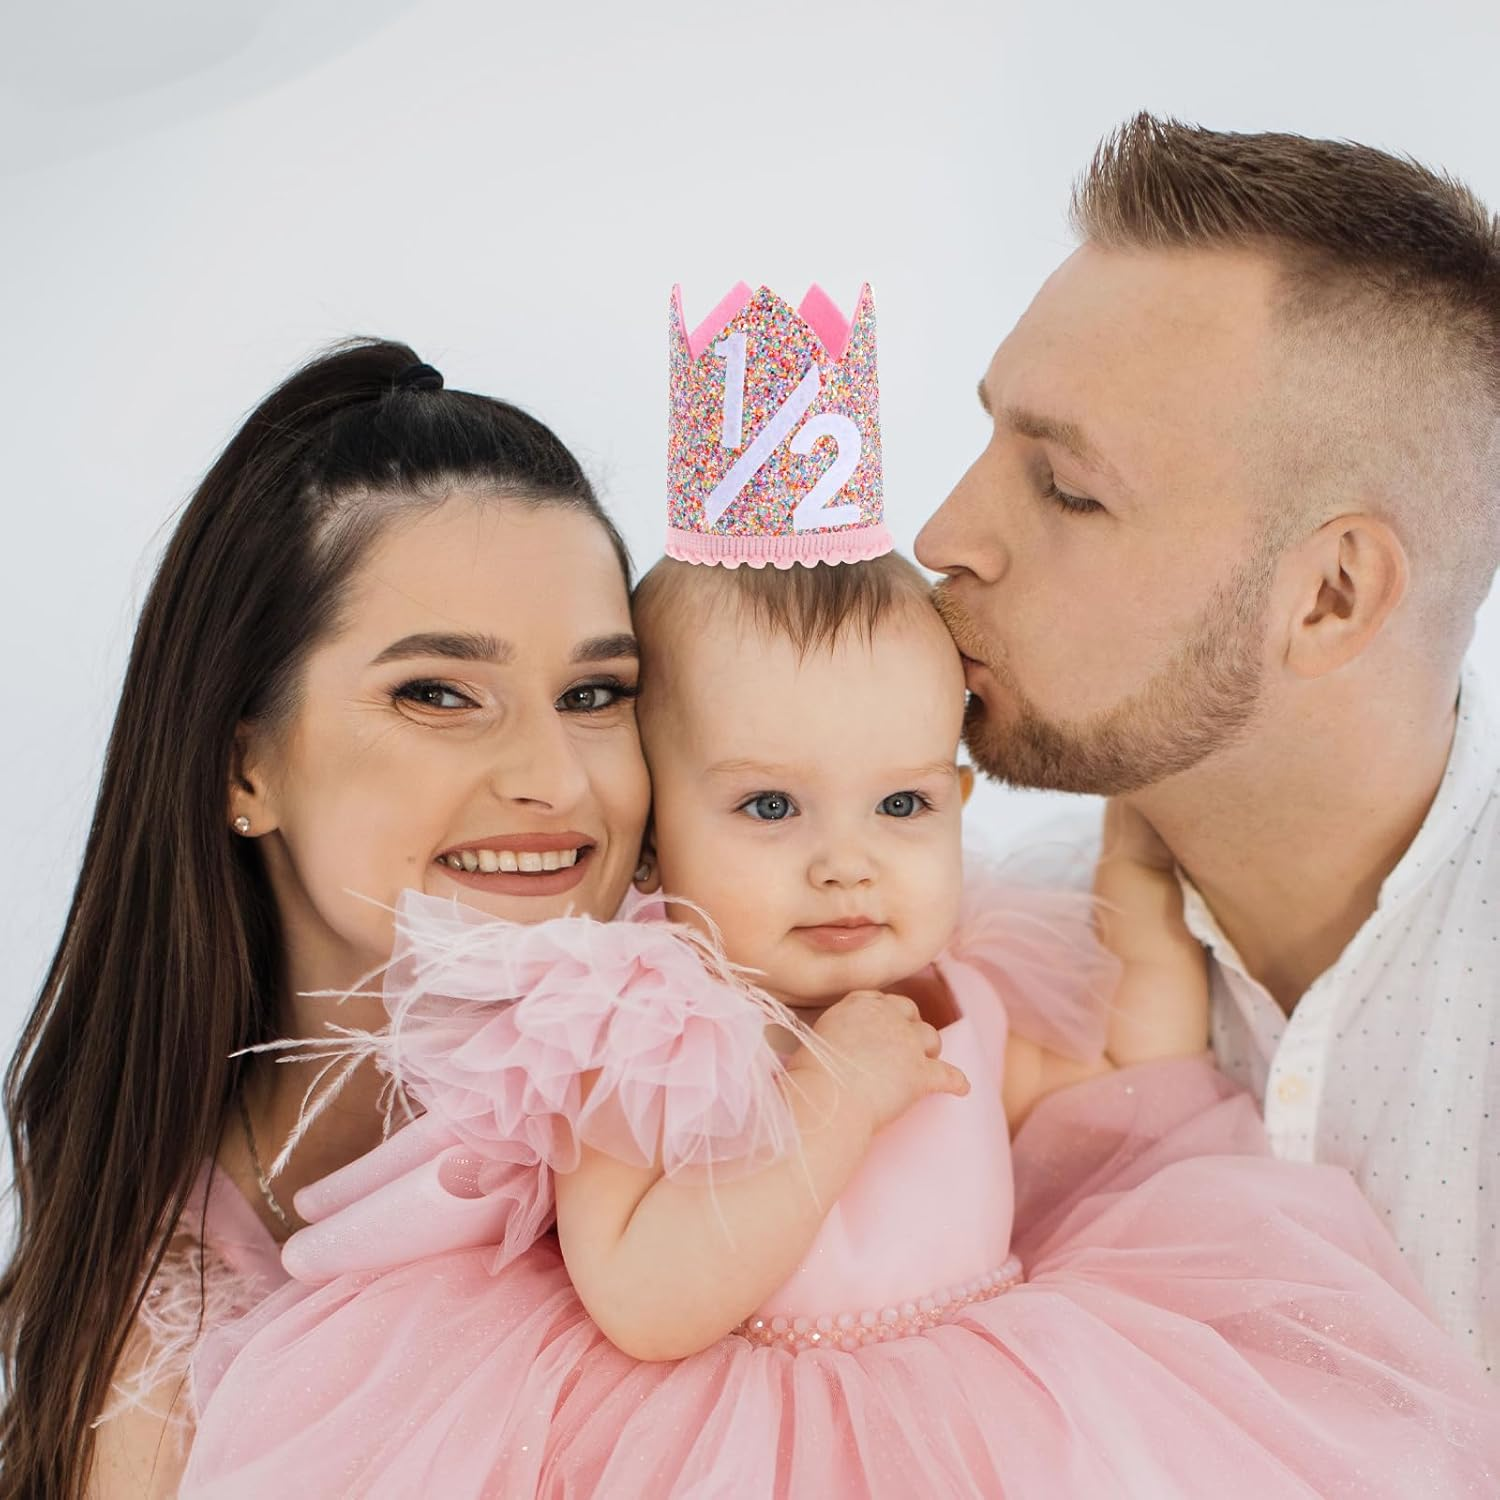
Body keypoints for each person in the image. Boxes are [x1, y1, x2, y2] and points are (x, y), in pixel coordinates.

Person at [181, 285, 1499, 1498]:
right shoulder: (648, 1028)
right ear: (653, 830)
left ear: (957, 801)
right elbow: (640, 1294)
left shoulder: (962, 996)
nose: (846, 860)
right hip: (728, 1441)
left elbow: (1132, 1095)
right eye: (767, 806)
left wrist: (1142, 839)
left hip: (998, 1414)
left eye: (904, 804)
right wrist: (834, 1096)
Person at [0, 338, 650, 1499]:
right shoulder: (148, 1262)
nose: (557, 777)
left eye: (595, 693)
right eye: (438, 693)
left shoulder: (740, 1110)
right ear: (242, 763)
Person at [916, 114, 1500, 1373]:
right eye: (988, 443)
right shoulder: (974, 958)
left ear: (1331, 596)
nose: (943, 533)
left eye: (1068, 489)